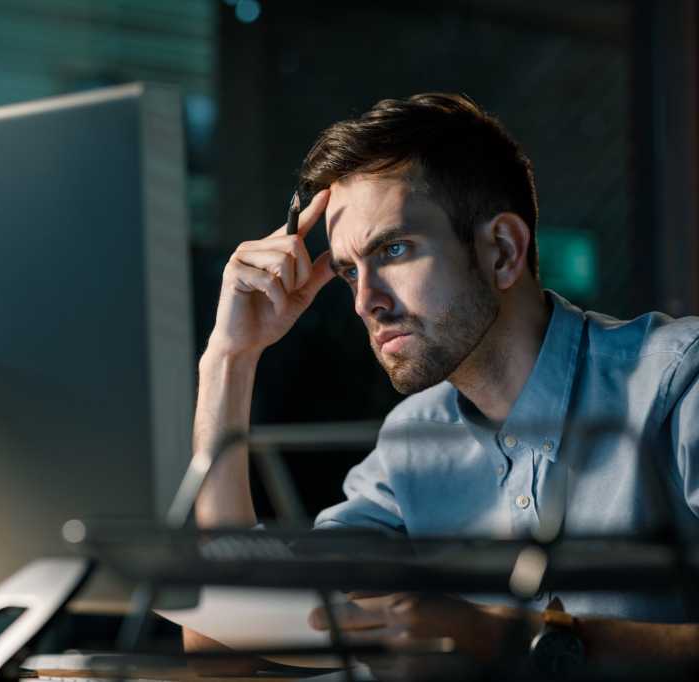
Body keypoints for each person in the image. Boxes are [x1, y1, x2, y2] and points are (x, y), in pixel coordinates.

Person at [186, 93, 699, 673]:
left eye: (395, 249)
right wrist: (229, 358)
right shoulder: (413, 441)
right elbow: (222, 635)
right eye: (350, 270)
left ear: (502, 251)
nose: (364, 302)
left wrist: (507, 638)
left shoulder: (678, 383)